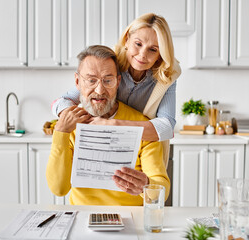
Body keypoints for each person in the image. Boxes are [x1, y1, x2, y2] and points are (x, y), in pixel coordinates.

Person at [51, 13, 181, 167]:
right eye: (138, 44)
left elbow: (166, 127)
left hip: (143, 150)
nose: (142, 55)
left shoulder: (167, 75)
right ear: (127, 39)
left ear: (160, 55)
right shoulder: (110, 64)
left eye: (153, 49)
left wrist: (111, 125)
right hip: (101, 145)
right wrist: (81, 119)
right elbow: (60, 102)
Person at [46, 45, 170, 206]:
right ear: (77, 82)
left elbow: (162, 190)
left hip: (131, 218)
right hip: (82, 216)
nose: (99, 90)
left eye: (108, 80)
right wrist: (61, 131)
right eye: (91, 80)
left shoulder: (142, 125)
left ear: (118, 82)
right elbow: (58, 189)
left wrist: (146, 185)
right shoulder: (69, 125)